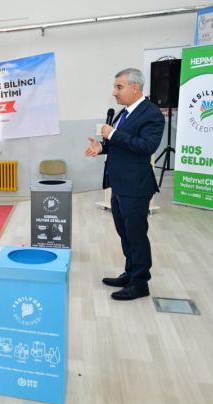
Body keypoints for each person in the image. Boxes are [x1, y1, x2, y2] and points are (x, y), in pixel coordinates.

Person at [84, 68, 165, 301]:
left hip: (136, 187)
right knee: (125, 233)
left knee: (136, 235)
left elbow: (146, 146)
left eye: (119, 87)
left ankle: (140, 283)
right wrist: (102, 147)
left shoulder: (152, 114)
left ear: (135, 88)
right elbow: (120, 144)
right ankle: (130, 273)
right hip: (119, 184)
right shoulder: (125, 112)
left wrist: (112, 135)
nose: (114, 92)